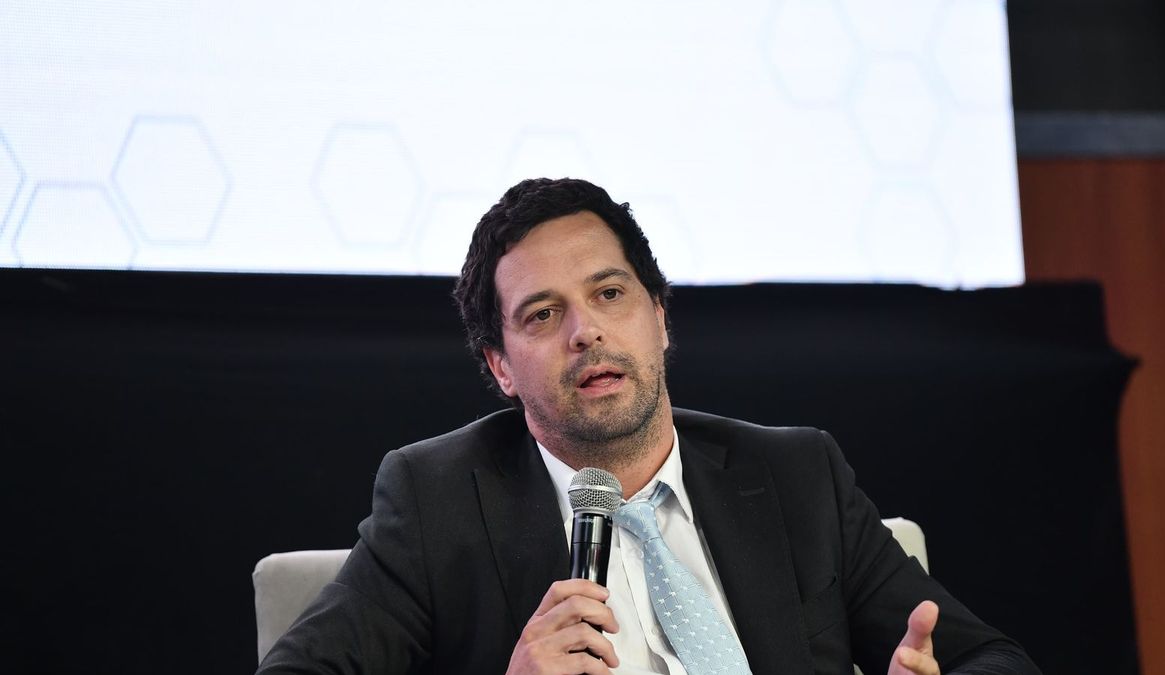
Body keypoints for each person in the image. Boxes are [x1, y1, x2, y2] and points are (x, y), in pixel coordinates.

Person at [258, 178, 1040, 674]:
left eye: (610, 294)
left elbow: (993, 657)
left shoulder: (797, 476)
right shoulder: (436, 502)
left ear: (660, 317)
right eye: (543, 314)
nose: (586, 332)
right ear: (500, 366)